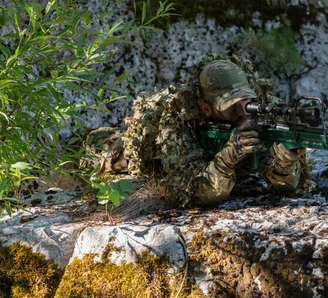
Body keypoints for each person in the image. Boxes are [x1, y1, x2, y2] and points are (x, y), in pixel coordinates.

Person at [86, 54, 307, 206]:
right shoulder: (176, 120)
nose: (243, 111)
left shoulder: (266, 107)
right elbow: (190, 192)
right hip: (147, 148)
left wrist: (285, 166)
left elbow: (291, 186)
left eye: (246, 100)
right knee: (109, 155)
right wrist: (226, 160)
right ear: (206, 108)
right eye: (230, 106)